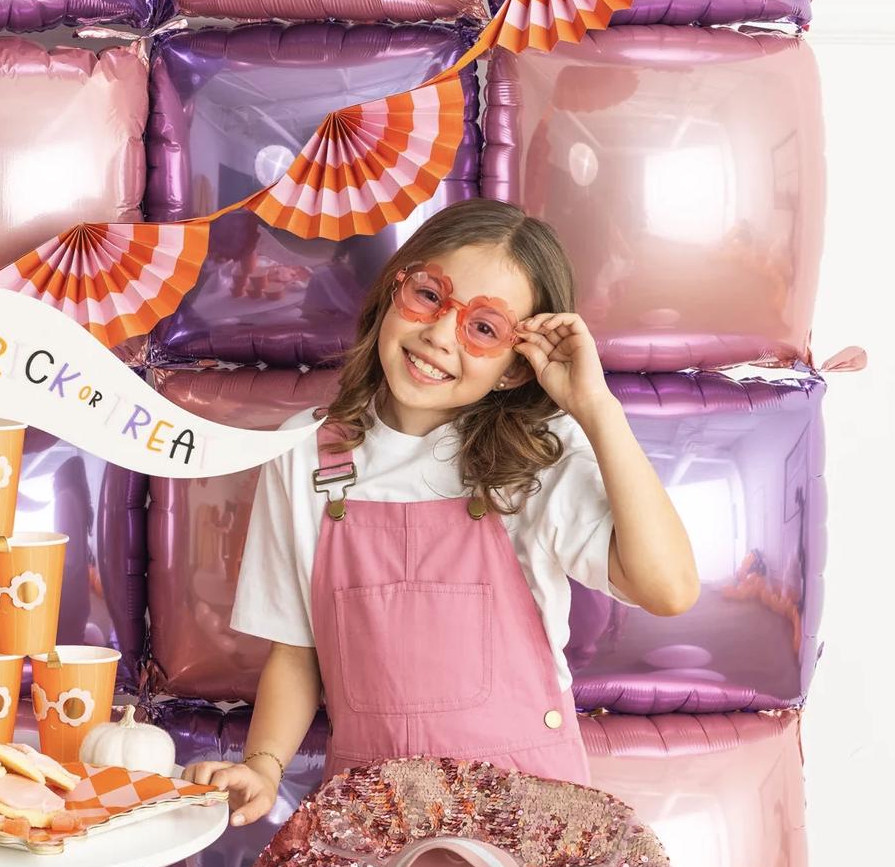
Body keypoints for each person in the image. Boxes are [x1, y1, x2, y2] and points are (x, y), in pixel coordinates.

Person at [186, 198, 698, 824]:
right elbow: (297, 651)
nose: (439, 335)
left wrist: (596, 408)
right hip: (371, 819)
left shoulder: (539, 456)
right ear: (394, 288)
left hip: (528, 816)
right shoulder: (303, 453)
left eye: (484, 328)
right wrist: (264, 766)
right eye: (429, 296)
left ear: (515, 369)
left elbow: (669, 588)